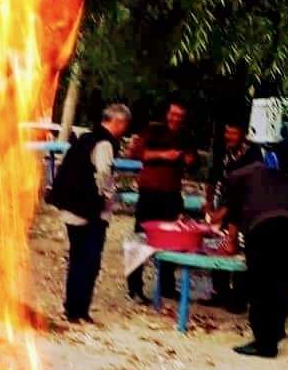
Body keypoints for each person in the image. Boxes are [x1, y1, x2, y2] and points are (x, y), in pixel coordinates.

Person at [218, 158, 288, 358]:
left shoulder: (235, 178)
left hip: (265, 226)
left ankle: (264, 344)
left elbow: (233, 216)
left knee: (261, 285)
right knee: (283, 283)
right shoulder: (276, 175)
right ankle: (275, 333)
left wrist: (232, 243)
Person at [51, 104, 131, 324]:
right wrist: (108, 197)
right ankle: (79, 309)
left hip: (72, 208)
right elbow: (104, 174)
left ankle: (72, 308)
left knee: (77, 259)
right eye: (125, 124)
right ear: (118, 122)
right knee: (89, 261)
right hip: (90, 212)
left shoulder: (85, 138)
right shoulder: (104, 143)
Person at [124, 98, 197, 302]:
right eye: (173, 114)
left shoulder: (186, 135)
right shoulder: (152, 130)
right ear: (167, 114)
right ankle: (135, 288)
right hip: (149, 193)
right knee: (141, 238)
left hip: (172, 194)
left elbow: (192, 161)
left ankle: (167, 286)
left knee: (173, 239)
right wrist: (165, 155)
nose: (176, 119)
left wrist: (190, 160)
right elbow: (136, 154)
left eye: (180, 116)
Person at [200, 116, 261, 311]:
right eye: (227, 132)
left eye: (233, 133)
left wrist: (223, 213)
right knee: (221, 246)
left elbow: (243, 192)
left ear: (243, 135)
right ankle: (220, 292)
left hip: (247, 209)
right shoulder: (221, 151)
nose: (229, 137)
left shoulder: (253, 155)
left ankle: (240, 298)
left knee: (241, 251)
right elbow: (212, 178)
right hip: (225, 203)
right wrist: (209, 203)